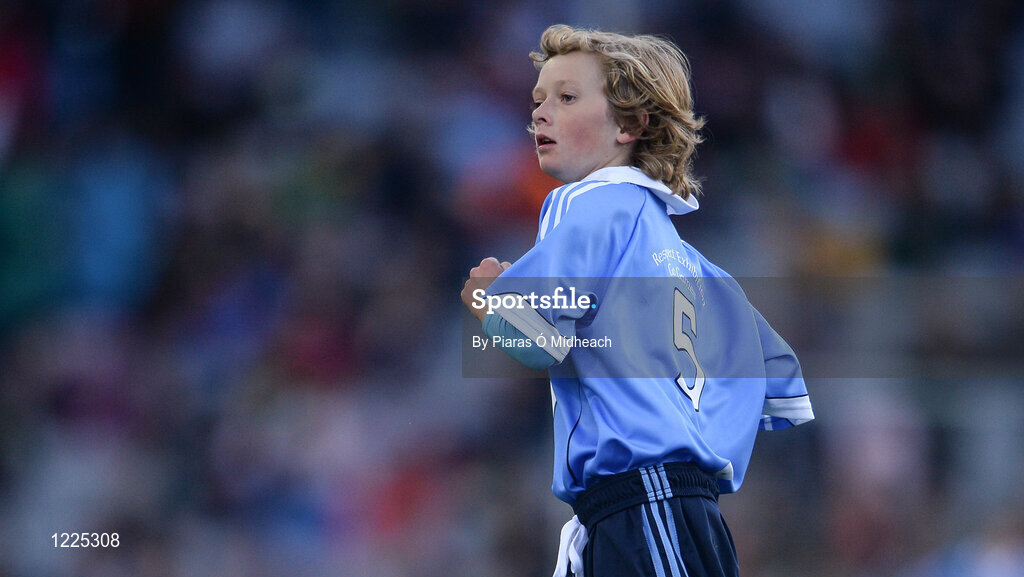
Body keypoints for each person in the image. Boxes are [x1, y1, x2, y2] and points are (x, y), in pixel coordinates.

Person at [460, 24, 813, 577]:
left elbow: (537, 343)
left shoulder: (592, 203)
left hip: (642, 504)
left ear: (631, 123)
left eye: (567, 97)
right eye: (538, 100)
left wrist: (488, 300)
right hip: (671, 508)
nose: (541, 115)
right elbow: (780, 387)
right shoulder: (698, 267)